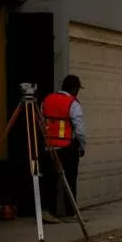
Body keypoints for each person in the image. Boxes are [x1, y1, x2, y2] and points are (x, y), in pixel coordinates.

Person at [41, 75, 86, 222]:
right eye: (78, 89)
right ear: (74, 88)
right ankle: (70, 213)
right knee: (69, 180)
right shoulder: (73, 103)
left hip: (49, 147)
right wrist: (82, 145)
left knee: (50, 180)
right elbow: (79, 129)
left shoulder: (47, 100)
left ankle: (49, 212)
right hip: (67, 147)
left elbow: (42, 121)